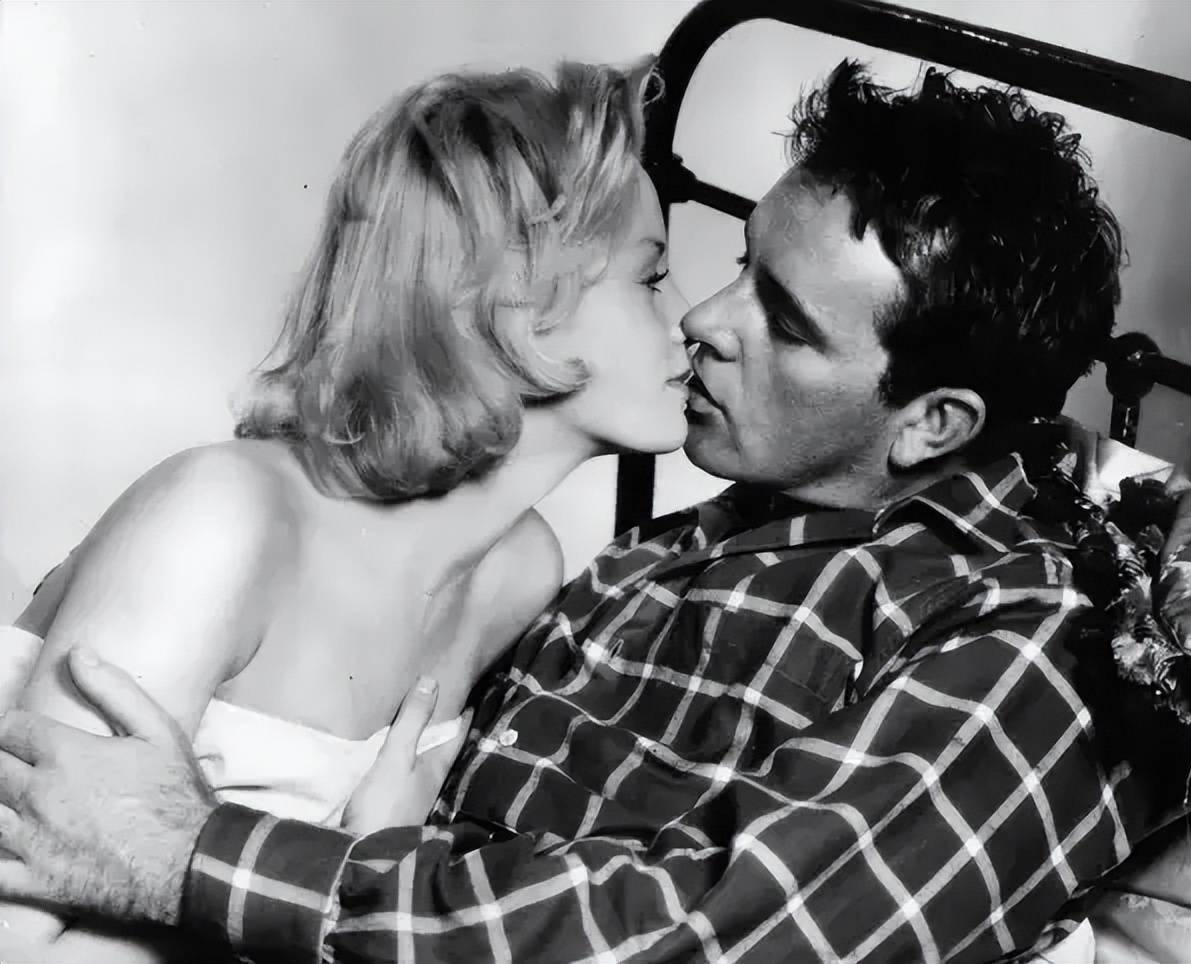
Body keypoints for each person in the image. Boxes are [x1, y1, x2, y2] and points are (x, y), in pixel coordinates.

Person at [0, 59, 1191, 962]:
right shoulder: (637, 560)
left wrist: (200, 857)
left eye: (782, 320)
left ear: (931, 424)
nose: (701, 318)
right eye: (729, 267)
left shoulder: (1018, 632)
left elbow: (705, 941)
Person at [0, 57, 692, 960]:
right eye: (652, 279)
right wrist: (357, 869)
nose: (690, 318)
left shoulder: (519, 570)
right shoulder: (223, 520)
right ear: (517, 304)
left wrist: (363, 877)